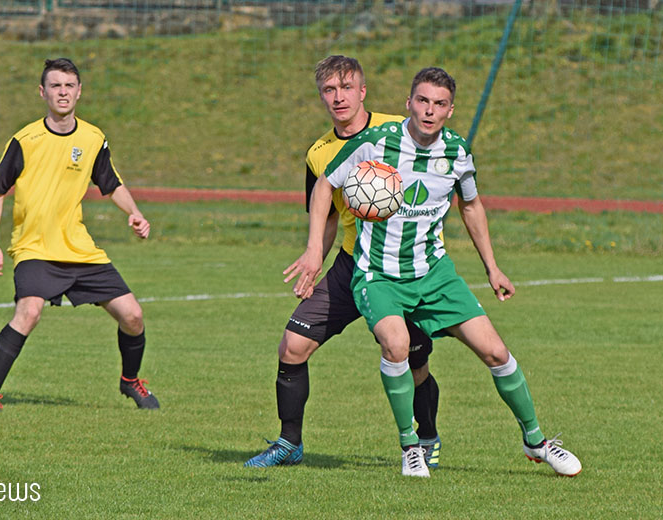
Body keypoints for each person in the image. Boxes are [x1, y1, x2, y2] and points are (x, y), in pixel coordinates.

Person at [286, 67, 582, 478]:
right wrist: (314, 250)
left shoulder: (457, 153)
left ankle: (536, 442)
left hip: (434, 275)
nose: (429, 110)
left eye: (439, 104)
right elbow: (323, 185)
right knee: (396, 346)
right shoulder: (375, 143)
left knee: (497, 353)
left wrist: (492, 268)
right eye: (422, 101)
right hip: (379, 274)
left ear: (450, 110)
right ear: (408, 103)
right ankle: (411, 447)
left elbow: (472, 206)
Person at [245, 56, 441, 469]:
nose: (339, 97)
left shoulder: (400, 129)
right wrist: (314, 254)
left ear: (362, 91)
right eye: (329, 90)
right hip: (351, 266)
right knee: (293, 346)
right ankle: (289, 443)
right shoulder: (318, 154)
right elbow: (329, 213)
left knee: (413, 359)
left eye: (346, 88)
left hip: (397, 269)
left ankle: (426, 438)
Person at [0, 58, 159, 412]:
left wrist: (134, 213)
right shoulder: (25, 139)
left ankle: (130, 381)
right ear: (43, 93)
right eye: (55, 86)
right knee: (28, 312)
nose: (63, 92)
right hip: (35, 248)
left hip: (79, 249)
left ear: (79, 91)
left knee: (133, 316)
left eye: (69, 85)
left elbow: (110, 183)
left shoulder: (92, 138)